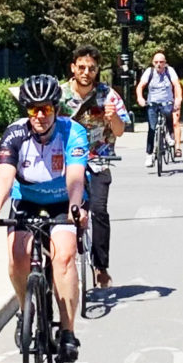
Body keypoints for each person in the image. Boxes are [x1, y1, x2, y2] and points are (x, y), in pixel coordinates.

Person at [0, 75, 89, 363]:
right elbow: (5, 176)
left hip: (62, 200)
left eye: (46, 108)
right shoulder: (14, 134)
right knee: (17, 257)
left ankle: (67, 331)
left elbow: (75, 176)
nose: (41, 116)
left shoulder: (73, 132)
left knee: (64, 257)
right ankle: (26, 310)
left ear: (56, 108)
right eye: (34, 110)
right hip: (27, 200)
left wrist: (74, 207)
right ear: (26, 111)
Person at [67, 48, 128, 288]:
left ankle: (100, 267)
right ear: (73, 68)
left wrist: (112, 117)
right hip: (67, 163)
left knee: (99, 211)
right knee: (63, 214)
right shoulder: (60, 96)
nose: (86, 72)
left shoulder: (108, 95)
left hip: (99, 161)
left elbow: (120, 131)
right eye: (81, 67)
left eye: (91, 68)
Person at [136, 50, 183, 162]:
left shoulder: (169, 71)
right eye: (156, 62)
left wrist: (178, 99)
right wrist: (140, 98)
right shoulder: (149, 71)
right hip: (153, 102)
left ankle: (169, 134)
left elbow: (176, 85)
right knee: (152, 128)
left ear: (165, 63)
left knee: (168, 113)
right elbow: (140, 86)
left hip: (167, 101)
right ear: (153, 62)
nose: (159, 64)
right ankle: (149, 154)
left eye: (161, 62)